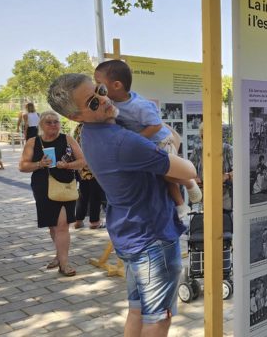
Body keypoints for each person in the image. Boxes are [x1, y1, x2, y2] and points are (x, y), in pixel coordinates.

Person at [47, 73, 197, 337]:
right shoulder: (123, 141)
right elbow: (187, 170)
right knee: (158, 320)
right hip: (153, 238)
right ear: (76, 117)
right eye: (93, 102)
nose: (104, 99)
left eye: (100, 90)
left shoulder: (93, 135)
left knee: (138, 311)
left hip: (130, 235)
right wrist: (171, 140)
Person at [94, 59, 201, 217]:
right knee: (163, 175)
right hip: (150, 143)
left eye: (99, 84)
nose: (96, 88)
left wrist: (137, 139)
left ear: (117, 85)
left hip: (162, 141)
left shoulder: (139, 105)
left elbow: (156, 126)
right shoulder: (112, 101)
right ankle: (181, 205)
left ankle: (188, 182)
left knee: (168, 173)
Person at [18, 110, 87, 277]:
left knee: (62, 225)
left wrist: (67, 165)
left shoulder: (67, 139)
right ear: (41, 125)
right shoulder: (33, 142)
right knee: (53, 225)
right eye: (49, 122)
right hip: (42, 187)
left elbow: (83, 161)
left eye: (56, 121)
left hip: (65, 186)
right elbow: (22, 166)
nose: (54, 125)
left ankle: (64, 264)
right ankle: (59, 255)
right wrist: (39, 164)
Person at [72, 123, 105, 229]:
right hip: (96, 165)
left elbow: (74, 144)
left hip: (82, 166)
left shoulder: (79, 127)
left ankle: (78, 220)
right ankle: (94, 221)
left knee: (83, 193)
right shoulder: (97, 126)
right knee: (95, 194)